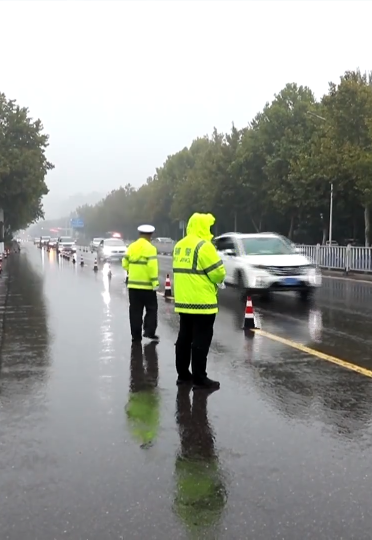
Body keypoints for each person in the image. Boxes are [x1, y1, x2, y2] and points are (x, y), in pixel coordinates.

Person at [171, 213, 226, 389]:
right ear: (203, 227)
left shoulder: (179, 245)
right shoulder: (204, 246)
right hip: (202, 302)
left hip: (183, 301)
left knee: (184, 338)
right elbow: (218, 273)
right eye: (208, 227)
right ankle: (200, 378)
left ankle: (183, 375)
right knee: (201, 341)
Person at [173, 385, 226, 533]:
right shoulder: (190, 518)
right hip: (194, 461)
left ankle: (195, 405)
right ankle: (192, 405)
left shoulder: (190, 518)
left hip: (202, 461)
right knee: (194, 429)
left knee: (200, 426)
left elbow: (220, 494)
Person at [123, 224, 160, 342]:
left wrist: (131, 270)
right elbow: (152, 267)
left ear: (139, 234)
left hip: (133, 287)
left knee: (135, 311)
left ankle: (136, 336)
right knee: (152, 309)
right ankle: (149, 331)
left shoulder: (131, 247)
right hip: (147, 287)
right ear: (150, 235)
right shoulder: (151, 248)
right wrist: (155, 284)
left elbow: (124, 263)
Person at [126, 342, 160, 449]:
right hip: (138, 395)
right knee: (140, 370)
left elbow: (155, 413)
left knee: (148, 370)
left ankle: (145, 348)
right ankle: (148, 349)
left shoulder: (145, 432)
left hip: (142, 395)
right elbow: (128, 414)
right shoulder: (137, 433)